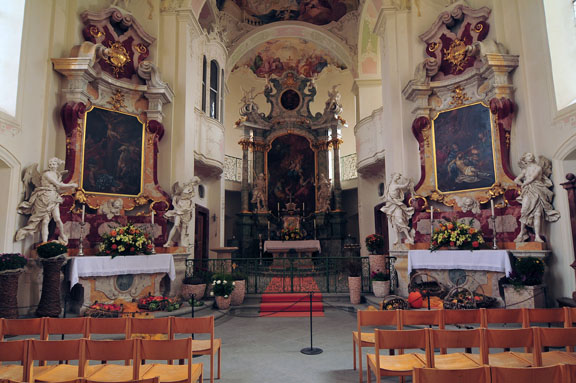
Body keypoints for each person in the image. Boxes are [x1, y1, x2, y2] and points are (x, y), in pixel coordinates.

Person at [15, 158, 78, 244]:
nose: (52, 165)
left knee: (57, 219)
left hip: (54, 198)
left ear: (57, 165)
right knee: (45, 221)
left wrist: (70, 186)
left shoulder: (56, 174)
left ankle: (62, 235)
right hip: (43, 198)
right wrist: (71, 185)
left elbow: (59, 187)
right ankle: (44, 243)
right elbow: (58, 184)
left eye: (54, 164)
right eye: (51, 164)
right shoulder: (47, 174)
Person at [514, 153, 560, 242]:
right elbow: (516, 180)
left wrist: (523, 184)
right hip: (528, 191)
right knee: (524, 211)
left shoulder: (538, 168)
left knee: (537, 214)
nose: (530, 156)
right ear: (525, 159)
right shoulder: (525, 170)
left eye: (531, 155)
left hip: (538, 191)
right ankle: (521, 233)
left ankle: (537, 236)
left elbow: (532, 178)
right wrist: (522, 185)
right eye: (528, 155)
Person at [380, 173, 415, 245]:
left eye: (398, 177)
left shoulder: (396, 185)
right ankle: (396, 238)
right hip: (391, 204)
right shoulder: (390, 185)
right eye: (397, 176)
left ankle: (408, 237)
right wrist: (408, 180)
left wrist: (408, 181)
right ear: (393, 177)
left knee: (400, 220)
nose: (398, 178)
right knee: (394, 223)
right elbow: (388, 195)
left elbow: (404, 186)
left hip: (397, 205)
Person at [163, 177, 199, 247]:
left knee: (184, 227)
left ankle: (182, 242)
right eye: (194, 182)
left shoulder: (192, 190)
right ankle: (168, 242)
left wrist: (190, 207)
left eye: (195, 183)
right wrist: (177, 208)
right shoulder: (183, 187)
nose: (194, 184)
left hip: (187, 209)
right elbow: (175, 198)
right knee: (176, 225)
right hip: (180, 208)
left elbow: (191, 201)